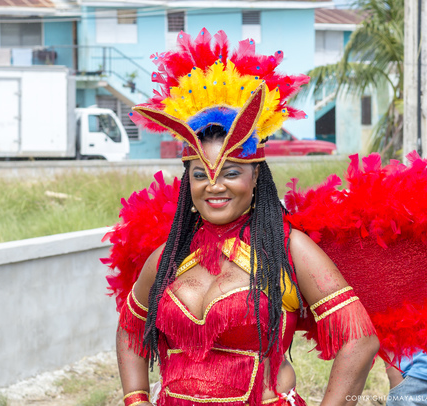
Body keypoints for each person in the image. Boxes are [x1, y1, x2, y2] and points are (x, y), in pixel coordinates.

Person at [110, 29, 379, 406]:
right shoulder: (169, 256)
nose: (214, 186)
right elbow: (129, 330)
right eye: (201, 174)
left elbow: (361, 340)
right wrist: (136, 400)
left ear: (256, 179)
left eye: (231, 172)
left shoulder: (288, 249)